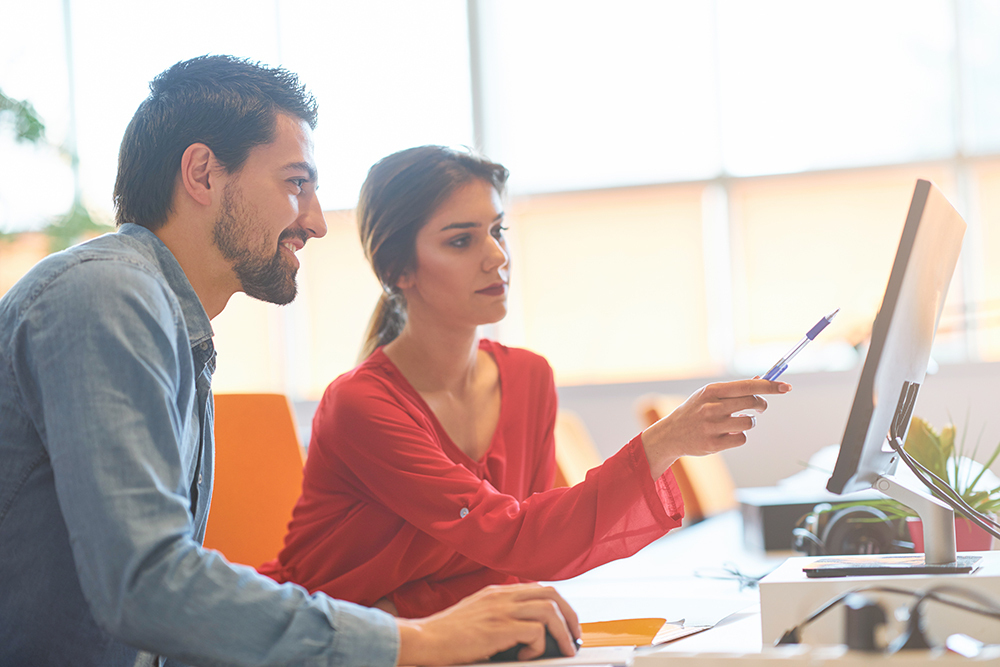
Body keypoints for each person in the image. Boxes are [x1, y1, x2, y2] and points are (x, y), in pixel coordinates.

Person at [0, 57, 581, 667]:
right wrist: (421, 640)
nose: (315, 222)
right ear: (202, 173)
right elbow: (147, 584)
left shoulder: (165, 322)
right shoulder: (108, 297)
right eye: (295, 184)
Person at [259, 145, 792, 618]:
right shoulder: (360, 404)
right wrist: (664, 442)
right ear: (400, 269)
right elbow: (518, 540)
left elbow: (521, 564)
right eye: (462, 241)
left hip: (429, 637)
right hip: (324, 642)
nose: (497, 256)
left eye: (497, 230)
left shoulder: (527, 376)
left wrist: (401, 610)